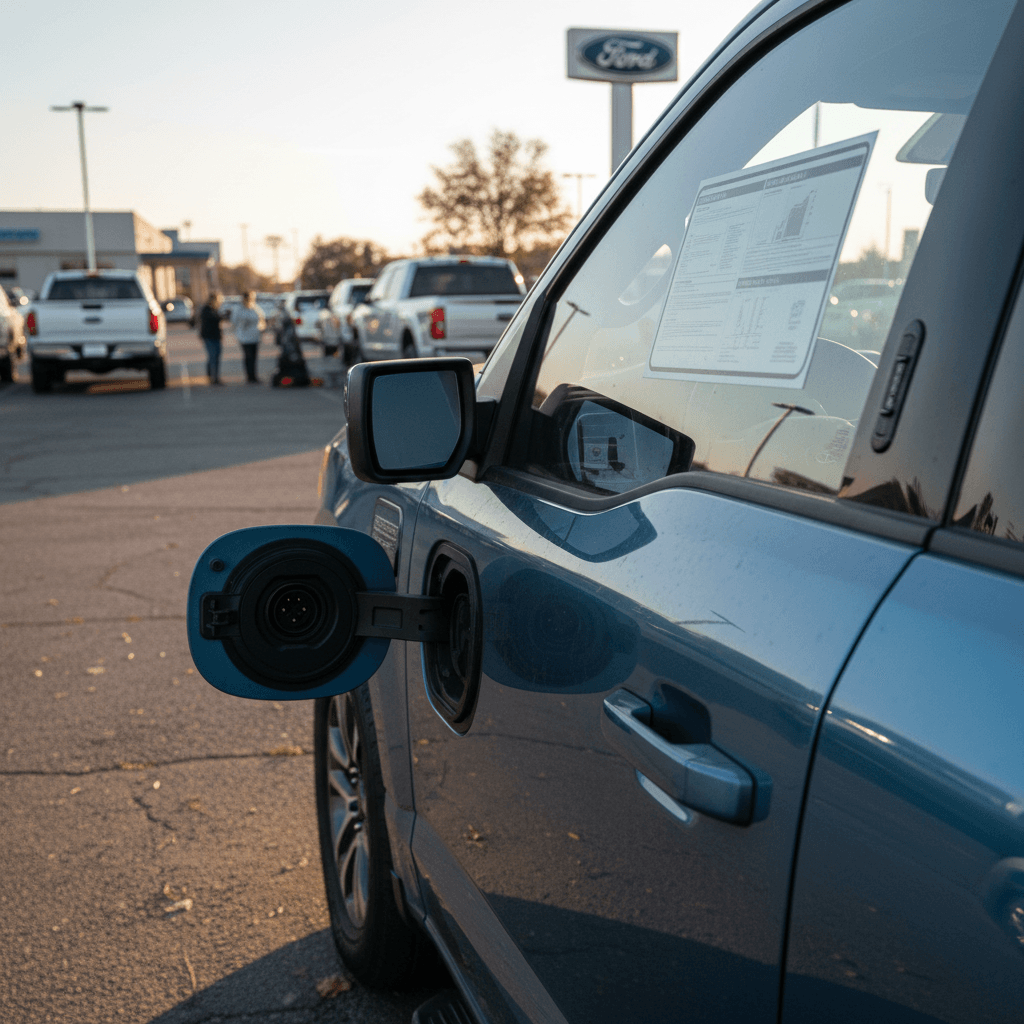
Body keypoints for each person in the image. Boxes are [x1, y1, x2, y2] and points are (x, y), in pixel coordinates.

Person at [230, 291, 266, 384]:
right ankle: (249, 376)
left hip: (255, 337)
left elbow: (262, 319)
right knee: (248, 356)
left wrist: (262, 328)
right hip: (244, 337)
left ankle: (254, 376)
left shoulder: (255, 307)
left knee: (254, 357)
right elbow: (234, 322)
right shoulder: (238, 309)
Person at [198, 292, 225, 385]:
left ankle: (212, 375)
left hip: (216, 336)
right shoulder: (206, 310)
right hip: (209, 337)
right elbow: (212, 319)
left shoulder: (215, 309)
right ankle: (214, 378)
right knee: (213, 356)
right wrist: (220, 316)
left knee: (216, 356)